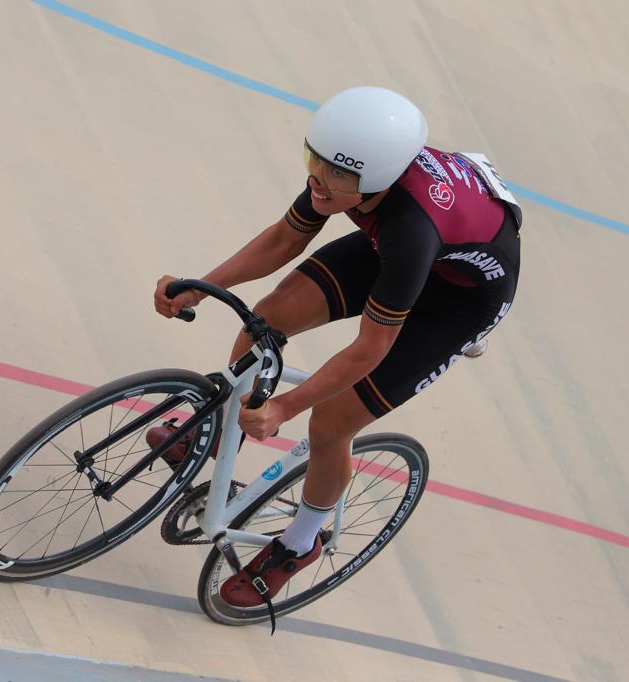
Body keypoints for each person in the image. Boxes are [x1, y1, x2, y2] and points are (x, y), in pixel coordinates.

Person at [151, 86, 522, 610]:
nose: (318, 182)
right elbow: (284, 240)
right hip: (405, 247)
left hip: (457, 299)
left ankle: (299, 544)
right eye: (314, 162)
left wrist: (283, 406)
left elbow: (369, 349)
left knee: (329, 422)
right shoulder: (346, 176)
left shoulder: (410, 229)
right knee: (270, 317)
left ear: (376, 178)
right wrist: (201, 284)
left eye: (337, 176)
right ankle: (221, 437)